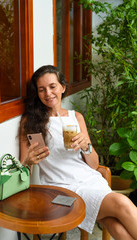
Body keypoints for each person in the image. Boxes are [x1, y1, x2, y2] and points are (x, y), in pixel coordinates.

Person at [19, 65, 137, 240]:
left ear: (62, 87)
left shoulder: (76, 118)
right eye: (41, 90)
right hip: (61, 190)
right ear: (37, 93)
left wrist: (86, 147)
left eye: (52, 87)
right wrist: (28, 161)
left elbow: (94, 165)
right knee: (121, 203)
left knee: (115, 224)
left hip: (89, 180)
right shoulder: (33, 122)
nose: (48, 93)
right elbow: (24, 170)